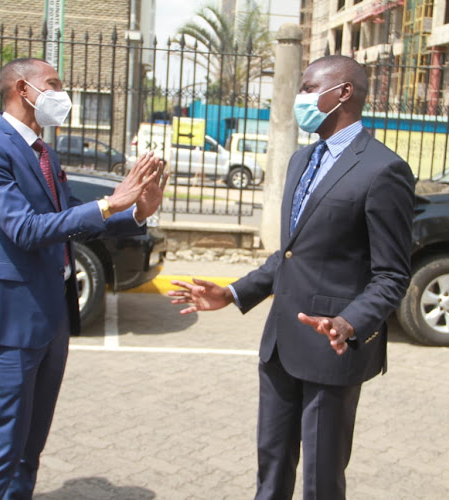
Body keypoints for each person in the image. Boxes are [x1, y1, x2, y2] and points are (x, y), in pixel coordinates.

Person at [169, 55, 415, 499]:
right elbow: (290, 254)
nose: (299, 97)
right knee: (272, 466)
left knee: (321, 480)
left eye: (307, 87)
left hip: (331, 347)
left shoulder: (383, 170)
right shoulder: (302, 160)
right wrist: (232, 292)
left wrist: (350, 322)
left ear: (341, 93)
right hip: (281, 345)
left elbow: (392, 274)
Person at [0, 57, 166, 499]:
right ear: (21, 88)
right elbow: (24, 229)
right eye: (53, 83)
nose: (61, 93)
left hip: (52, 317)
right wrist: (110, 202)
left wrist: (137, 211)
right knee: (2, 453)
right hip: (12, 320)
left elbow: (71, 219)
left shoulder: (44, 151)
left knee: (29, 450)